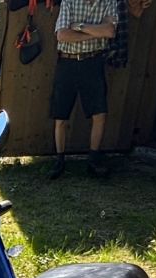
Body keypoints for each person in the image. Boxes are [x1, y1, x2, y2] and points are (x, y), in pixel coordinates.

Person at [47, 0, 117, 179]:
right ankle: (59, 161)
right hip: (67, 61)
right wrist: (95, 32)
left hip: (93, 62)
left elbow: (110, 31)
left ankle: (93, 161)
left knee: (99, 114)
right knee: (60, 115)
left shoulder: (108, 2)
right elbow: (62, 34)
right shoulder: (69, 1)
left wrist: (79, 27)